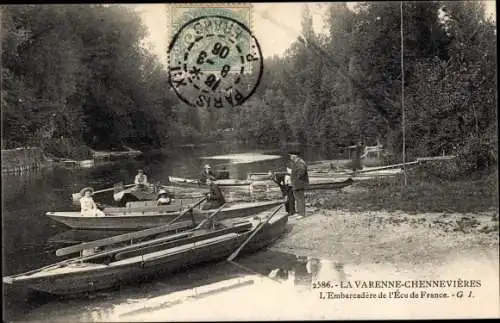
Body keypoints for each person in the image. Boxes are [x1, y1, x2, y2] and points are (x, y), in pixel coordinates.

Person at [289, 153, 309, 218]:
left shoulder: (300, 162)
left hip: (300, 183)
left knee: (300, 198)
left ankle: (302, 214)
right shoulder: (295, 162)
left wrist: (295, 179)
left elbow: (302, 172)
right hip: (296, 183)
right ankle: (299, 212)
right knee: (297, 198)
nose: (290, 157)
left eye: (291, 155)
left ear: (295, 156)